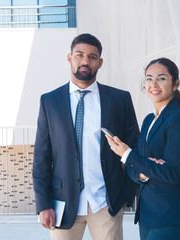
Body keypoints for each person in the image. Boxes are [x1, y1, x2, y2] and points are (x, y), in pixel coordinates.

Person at [32, 33, 139, 240]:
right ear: (69, 58)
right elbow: (41, 158)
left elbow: (134, 147)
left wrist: (126, 193)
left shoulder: (120, 99)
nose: (85, 61)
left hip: (106, 203)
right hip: (62, 203)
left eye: (92, 57)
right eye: (79, 55)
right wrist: (43, 204)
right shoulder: (50, 102)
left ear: (100, 62)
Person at [105, 58, 180, 240]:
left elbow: (173, 173)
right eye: (149, 79)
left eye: (162, 78)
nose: (153, 84)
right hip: (149, 215)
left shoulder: (179, 120)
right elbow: (135, 169)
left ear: (175, 84)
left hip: (171, 215)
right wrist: (143, 172)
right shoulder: (149, 119)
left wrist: (127, 155)